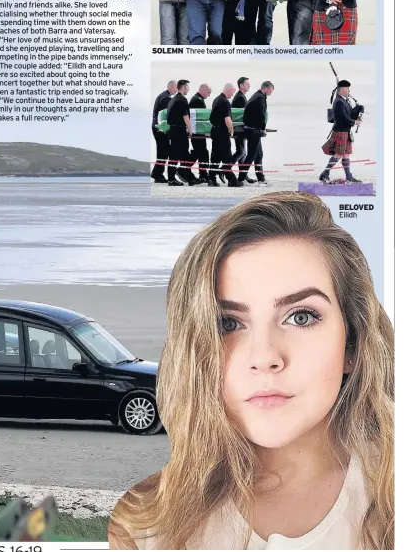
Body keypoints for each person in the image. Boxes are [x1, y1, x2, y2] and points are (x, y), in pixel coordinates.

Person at [108, 192, 394, 551]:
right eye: (228, 323)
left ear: (352, 343)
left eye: (301, 317)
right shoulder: (142, 525)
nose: (265, 357)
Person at [320, 80, 364, 184]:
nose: (349, 90)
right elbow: (343, 118)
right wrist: (355, 122)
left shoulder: (344, 101)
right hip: (340, 132)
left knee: (346, 154)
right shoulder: (339, 102)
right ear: (342, 89)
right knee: (339, 154)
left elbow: (349, 115)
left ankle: (349, 176)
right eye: (348, 88)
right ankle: (324, 174)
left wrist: (357, 110)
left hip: (346, 132)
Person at [238, 81, 274, 185]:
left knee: (258, 155)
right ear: (266, 89)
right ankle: (240, 178)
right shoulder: (260, 98)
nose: (270, 93)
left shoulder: (257, 96)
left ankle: (261, 179)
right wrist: (263, 129)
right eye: (270, 91)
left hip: (251, 129)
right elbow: (261, 115)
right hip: (253, 130)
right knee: (252, 155)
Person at [166, 80, 196, 186]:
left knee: (182, 156)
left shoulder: (174, 99)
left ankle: (188, 178)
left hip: (174, 130)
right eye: (187, 87)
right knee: (179, 156)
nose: (188, 89)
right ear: (184, 88)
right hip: (179, 131)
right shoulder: (181, 99)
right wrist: (190, 129)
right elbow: (185, 116)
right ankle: (172, 179)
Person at [208, 83, 238, 188]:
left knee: (215, 157)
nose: (233, 95)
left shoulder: (217, 99)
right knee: (227, 157)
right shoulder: (225, 102)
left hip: (215, 131)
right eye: (233, 93)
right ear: (229, 91)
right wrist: (232, 131)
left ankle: (211, 179)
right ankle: (232, 181)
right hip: (222, 133)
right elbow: (227, 119)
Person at [151, 80, 177, 183]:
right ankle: (157, 174)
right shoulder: (166, 98)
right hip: (160, 128)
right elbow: (168, 114)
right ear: (170, 87)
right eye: (176, 87)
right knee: (163, 151)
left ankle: (157, 173)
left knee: (163, 151)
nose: (177, 89)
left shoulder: (164, 96)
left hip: (159, 127)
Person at [188, 84, 212, 184]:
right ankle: (184, 169)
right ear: (203, 90)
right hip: (197, 132)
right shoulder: (197, 100)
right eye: (209, 92)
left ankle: (203, 174)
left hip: (197, 131)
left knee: (201, 152)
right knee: (201, 152)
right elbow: (202, 118)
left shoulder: (197, 98)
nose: (209, 95)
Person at [231, 76, 251, 178]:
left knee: (242, 151)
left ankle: (243, 175)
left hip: (239, 128)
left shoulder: (241, 96)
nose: (249, 85)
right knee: (241, 151)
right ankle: (225, 169)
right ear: (241, 85)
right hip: (238, 129)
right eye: (247, 84)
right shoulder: (240, 97)